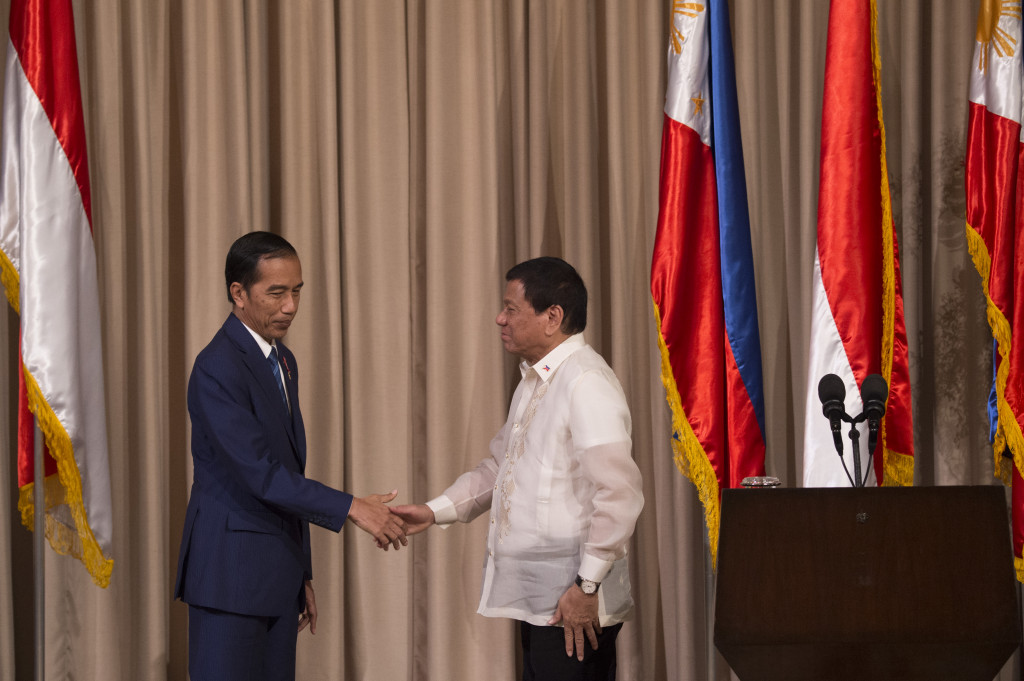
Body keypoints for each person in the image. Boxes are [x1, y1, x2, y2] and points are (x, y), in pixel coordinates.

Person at [391, 256, 644, 681]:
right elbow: (500, 469)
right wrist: (434, 511)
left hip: (573, 603)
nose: (499, 318)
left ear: (553, 317)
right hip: (540, 599)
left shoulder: (586, 382)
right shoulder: (536, 380)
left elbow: (620, 495)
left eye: (511, 309)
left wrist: (586, 588)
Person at [174, 231, 408, 681]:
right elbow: (261, 475)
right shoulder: (217, 366)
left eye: (297, 291)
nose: (290, 306)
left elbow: (285, 472)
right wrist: (352, 507)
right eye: (276, 292)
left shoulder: (283, 360)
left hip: (275, 577)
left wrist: (298, 571)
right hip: (229, 577)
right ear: (238, 293)